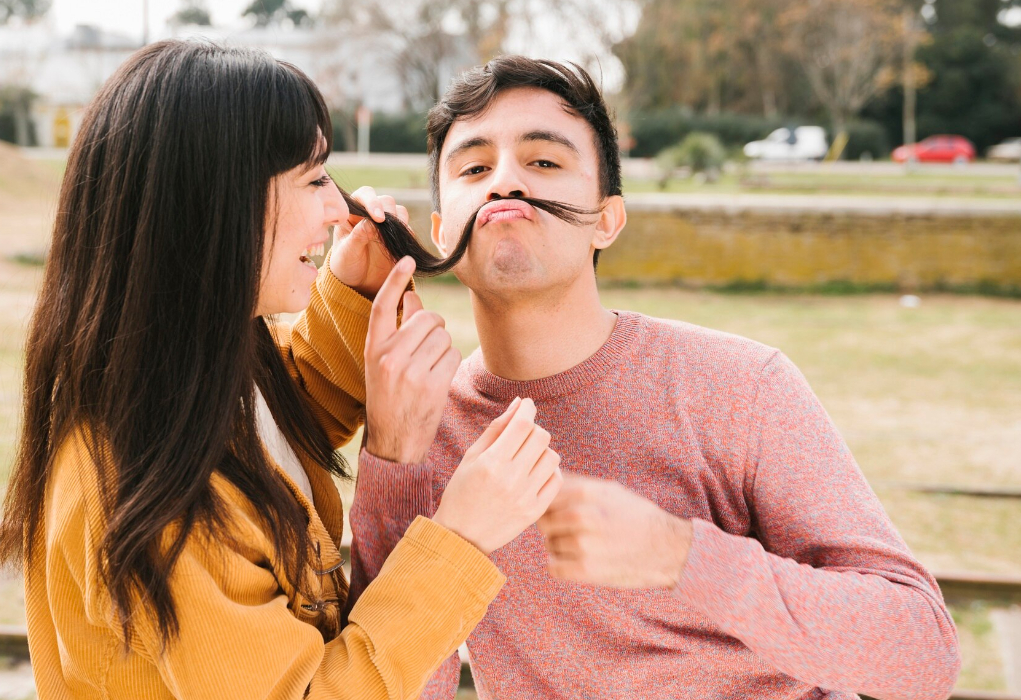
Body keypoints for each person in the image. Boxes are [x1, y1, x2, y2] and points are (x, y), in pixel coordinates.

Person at [346, 56, 961, 700]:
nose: (504, 181)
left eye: (544, 161)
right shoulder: (422, 423)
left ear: (606, 220)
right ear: (440, 232)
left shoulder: (739, 386)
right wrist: (393, 457)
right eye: (474, 168)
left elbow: (922, 654)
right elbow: (400, 682)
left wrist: (677, 554)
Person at [0, 40, 561, 700]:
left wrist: (351, 290)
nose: (338, 208)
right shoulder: (152, 488)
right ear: (217, 204)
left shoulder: (193, 375)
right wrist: (461, 536)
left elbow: (284, 430)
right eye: (315, 179)